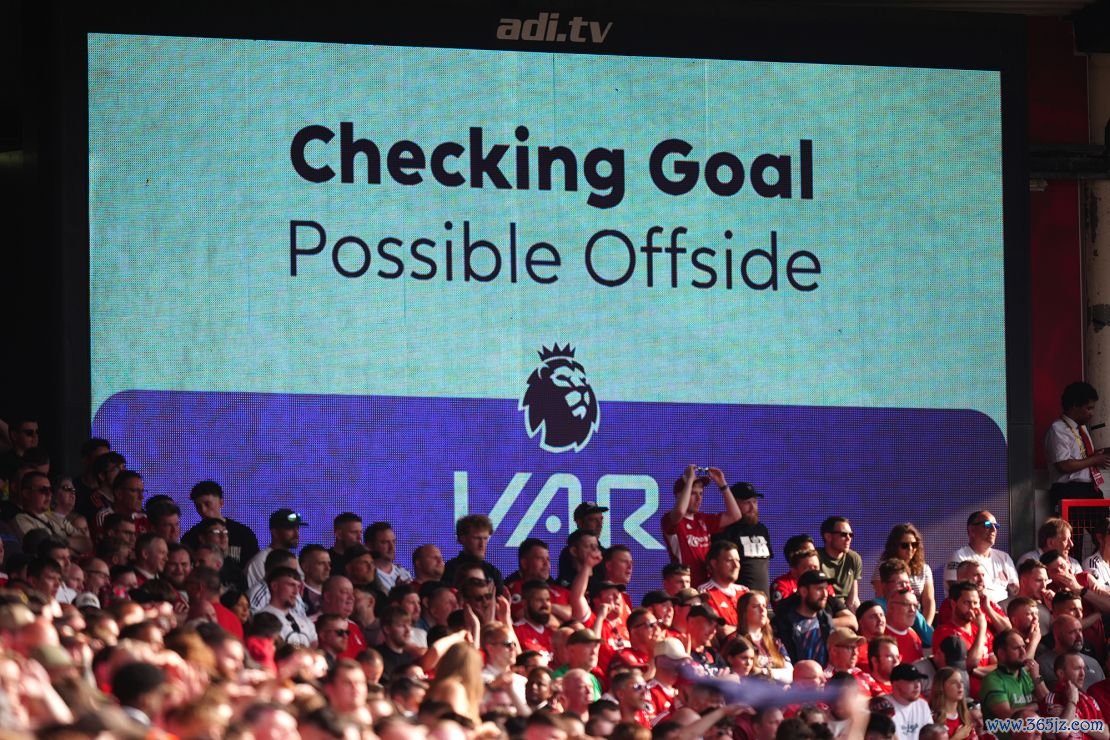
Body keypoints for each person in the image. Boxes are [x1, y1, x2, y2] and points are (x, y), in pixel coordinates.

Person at [661, 465, 742, 587]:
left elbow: (735, 515)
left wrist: (722, 484)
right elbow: (679, 512)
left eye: (701, 493)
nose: (699, 498)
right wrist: (689, 480)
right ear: (679, 495)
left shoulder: (703, 519)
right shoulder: (669, 519)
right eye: (693, 493)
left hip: (708, 586)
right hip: (687, 586)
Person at [1045, 381, 1110, 510]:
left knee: (1103, 529)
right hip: (1069, 489)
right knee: (1073, 530)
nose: (1092, 413)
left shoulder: (1082, 428)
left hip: (1091, 488)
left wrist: (1098, 455)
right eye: (1088, 408)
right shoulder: (1057, 429)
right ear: (1075, 406)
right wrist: (1094, 459)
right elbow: (1063, 465)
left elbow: (1081, 456)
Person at [945, 511, 1018, 606]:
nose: (994, 529)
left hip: (1004, 612)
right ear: (972, 530)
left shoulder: (1004, 558)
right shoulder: (959, 557)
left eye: (996, 526)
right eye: (988, 525)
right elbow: (956, 592)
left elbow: (1016, 591)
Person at [180, 480, 259, 567]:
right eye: (198, 506)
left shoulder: (243, 534)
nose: (203, 510)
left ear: (221, 503)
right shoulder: (190, 537)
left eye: (207, 504)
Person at [871, 524, 936, 624]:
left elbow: (929, 601)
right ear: (895, 546)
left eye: (914, 545)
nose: (910, 549)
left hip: (917, 616)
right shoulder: (884, 566)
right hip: (892, 614)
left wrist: (926, 625)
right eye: (905, 545)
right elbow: (882, 596)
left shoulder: (925, 569)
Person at [715, 482, 772, 594]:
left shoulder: (762, 529)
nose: (752, 507)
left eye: (755, 502)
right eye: (747, 503)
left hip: (762, 599)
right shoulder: (725, 530)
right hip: (737, 599)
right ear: (733, 503)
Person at [980, 629, 1048, 720]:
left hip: (1034, 730)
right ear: (1001, 654)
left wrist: (1036, 677)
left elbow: (1049, 704)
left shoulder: (1028, 674)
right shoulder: (993, 680)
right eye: (1016, 648)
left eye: (1023, 647)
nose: (1023, 652)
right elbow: (1007, 715)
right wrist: (1038, 705)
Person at [773, 570, 835, 665]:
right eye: (819, 589)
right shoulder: (783, 624)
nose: (825, 594)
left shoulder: (826, 620)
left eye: (826, 589)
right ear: (803, 591)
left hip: (824, 677)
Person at [1042, 653, 1110, 740]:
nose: (1083, 674)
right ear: (1061, 673)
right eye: (1077, 669)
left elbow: (1106, 734)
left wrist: (1076, 720)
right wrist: (1072, 702)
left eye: (1083, 669)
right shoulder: (1052, 699)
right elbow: (1063, 732)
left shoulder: (1089, 699)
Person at [737, 590, 792, 681]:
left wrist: (764, 672)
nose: (762, 610)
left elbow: (790, 674)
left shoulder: (776, 642)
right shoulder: (736, 641)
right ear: (744, 612)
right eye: (755, 606)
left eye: (764, 606)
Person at [245, 508, 306, 589]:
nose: (296, 534)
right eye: (290, 529)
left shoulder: (296, 560)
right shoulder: (259, 562)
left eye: (297, 528)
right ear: (275, 532)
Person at [442, 514, 504, 590]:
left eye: (485, 538)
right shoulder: (449, 570)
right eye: (477, 538)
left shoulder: (493, 572)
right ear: (462, 539)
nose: (482, 544)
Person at [698, 540, 747, 628]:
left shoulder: (744, 591)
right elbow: (719, 630)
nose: (736, 565)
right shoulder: (705, 592)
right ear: (714, 563)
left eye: (737, 560)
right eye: (729, 560)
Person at [557, 502, 608, 585]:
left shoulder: (606, 554)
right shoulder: (568, 553)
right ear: (579, 523)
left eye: (601, 519)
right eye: (593, 520)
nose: (599, 525)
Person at [819, 516, 863, 610]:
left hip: (843, 611)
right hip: (822, 609)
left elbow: (853, 600)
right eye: (843, 534)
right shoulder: (816, 558)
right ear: (828, 537)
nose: (848, 538)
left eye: (851, 535)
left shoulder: (853, 558)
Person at [929, 666, 976, 740]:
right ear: (941, 687)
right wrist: (956, 738)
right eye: (953, 682)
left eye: (961, 682)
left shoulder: (966, 716)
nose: (960, 686)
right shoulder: (931, 719)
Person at [366, 521, 413, 594]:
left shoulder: (404, 573)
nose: (392, 547)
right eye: (384, 542)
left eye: (393, 541)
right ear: (370, 545)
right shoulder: (367, 576)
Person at [888, 663, 932, 740]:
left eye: (918, 680)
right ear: (895, 684)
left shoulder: (922, 705)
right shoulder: (882, 706)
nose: (917, 686)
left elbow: (930, 736)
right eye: (911, 681)